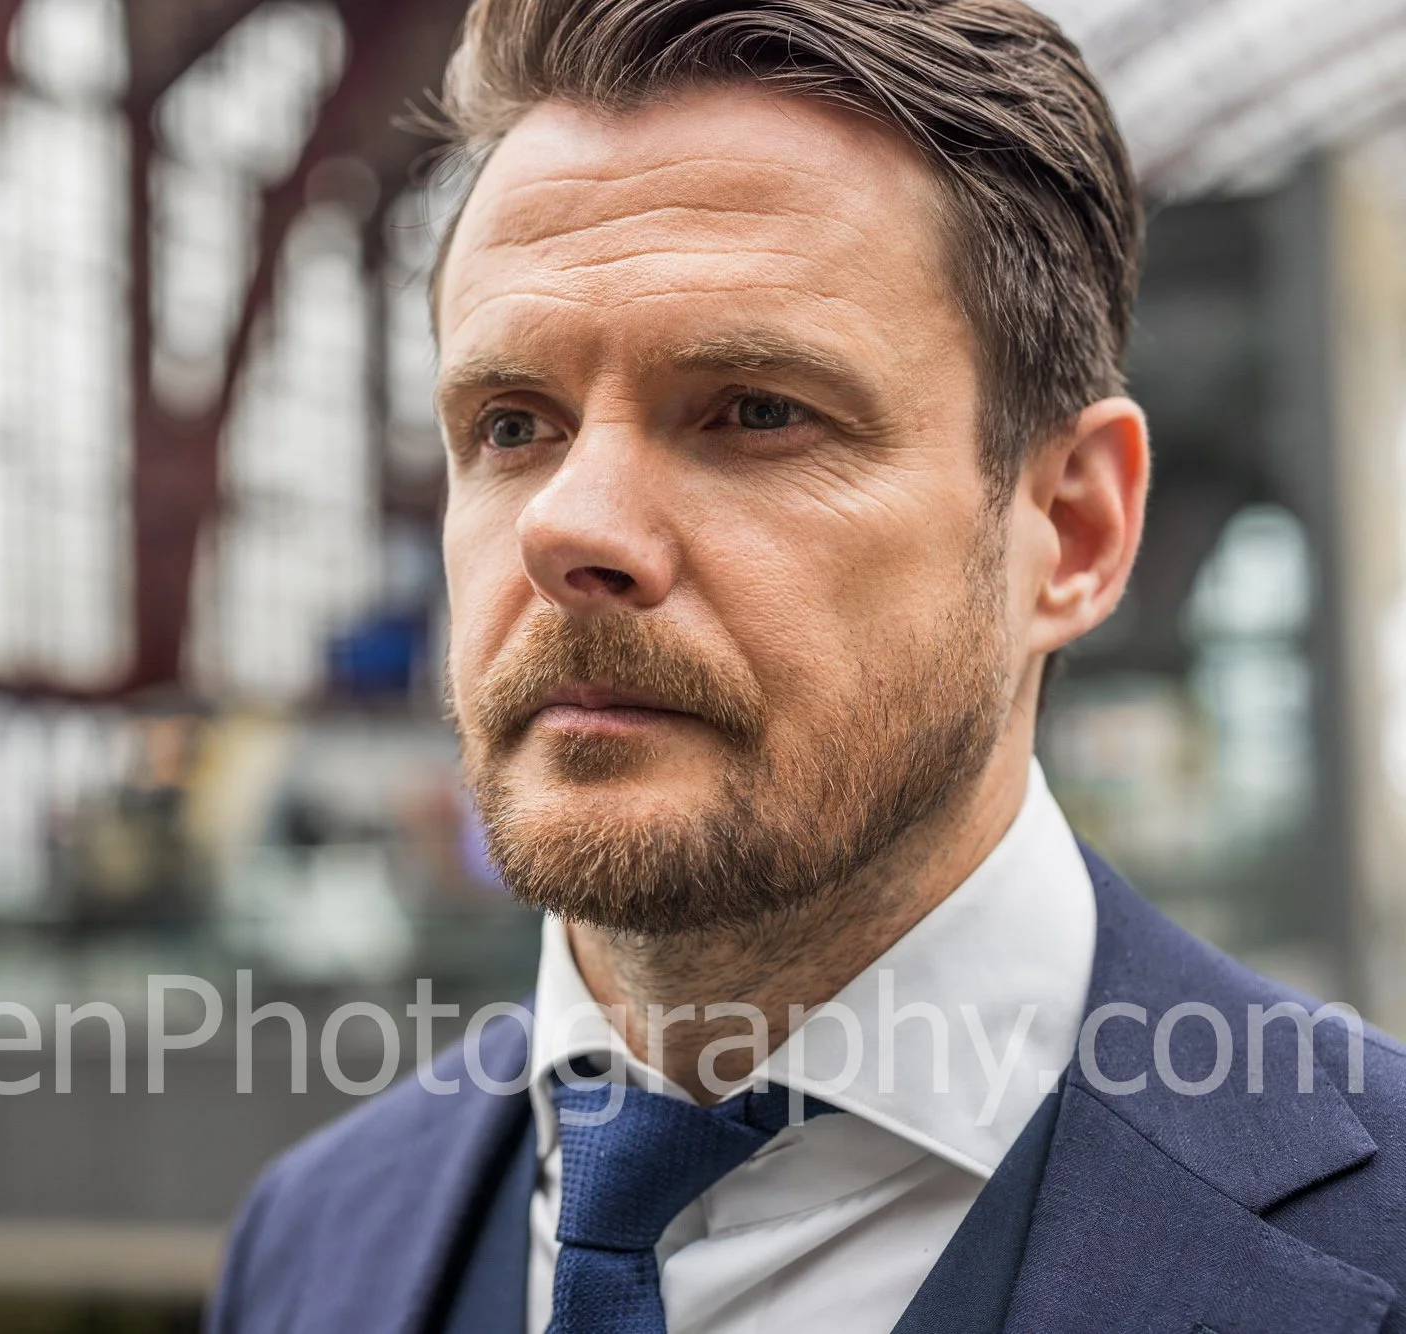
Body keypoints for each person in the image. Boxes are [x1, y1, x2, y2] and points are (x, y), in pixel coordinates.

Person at [207, 2, 1406, 1331]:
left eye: (758, 412)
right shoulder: (309, 1243)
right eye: (509, 425)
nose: (567, 528)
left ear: (1071, 529)